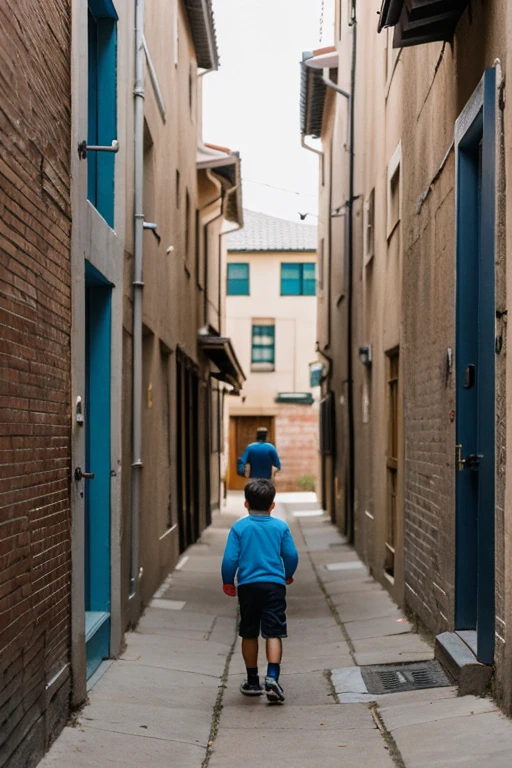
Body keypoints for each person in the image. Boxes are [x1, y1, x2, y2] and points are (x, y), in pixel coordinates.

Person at [221, 479, 298, 704]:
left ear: (246, 504)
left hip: (248, 586)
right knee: (273, 631)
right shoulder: (281, 527)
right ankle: (272, 676)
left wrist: (228, 581)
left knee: (249, 631)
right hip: (274, 585)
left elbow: (230, 559)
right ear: (272, 505)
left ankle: (252, 681)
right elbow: (291, 555)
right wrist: (287, 574)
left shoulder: (239, 528)